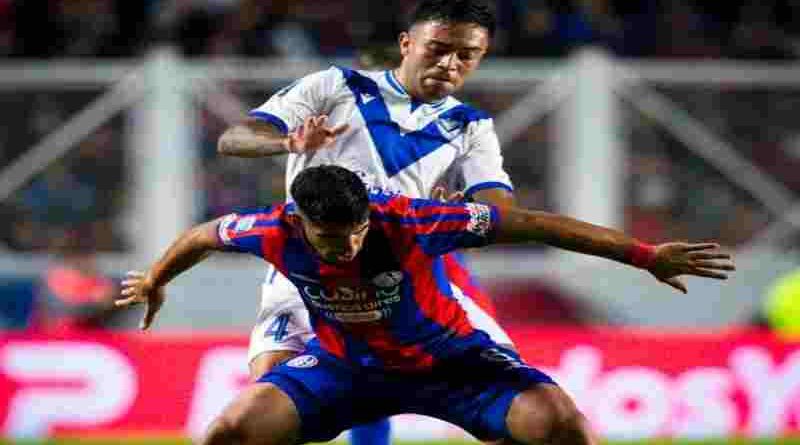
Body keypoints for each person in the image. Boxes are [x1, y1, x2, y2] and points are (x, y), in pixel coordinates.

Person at [117, 165, 734, 445]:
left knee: (563, 428)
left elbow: (536, 224)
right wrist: (156, 280)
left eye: (357, 231)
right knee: (229, 432)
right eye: (331, 238)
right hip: (344, 369)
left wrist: (644, 256)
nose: (348, 246)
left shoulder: (413, 219)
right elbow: (201, 235)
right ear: (300, 223)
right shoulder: (268, 229)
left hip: (453, 364)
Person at [217, 1, 516, 442]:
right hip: (307, 269)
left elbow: (499, 207)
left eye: (466, 55)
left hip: (398, 277)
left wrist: (466, 209)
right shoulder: (333, 86)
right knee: (268, 405)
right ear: (407, 44)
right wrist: (288, 142)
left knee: (509, 398)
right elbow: (233, 138)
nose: (449, 64)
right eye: (437, 49)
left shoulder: (469, 125)